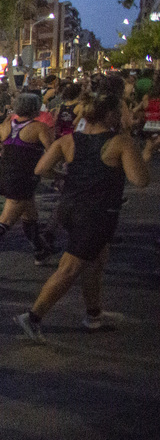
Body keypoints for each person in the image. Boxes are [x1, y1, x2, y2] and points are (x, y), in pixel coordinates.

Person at [17, 86, 159, 343]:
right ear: (112, 116)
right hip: (96, 214)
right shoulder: (120, 142)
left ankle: (93, 316)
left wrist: (67, 176)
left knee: (96, 261)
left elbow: (41, 169)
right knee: (69, 268)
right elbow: (140, 180)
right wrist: (146, 153)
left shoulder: (69, 140)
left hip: (69, 208)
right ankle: (33, 316)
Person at [0, 93, 55, 271]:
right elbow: (53, 151)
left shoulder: (5, 126)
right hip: (24, 178)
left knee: (31, 217)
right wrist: (57, 173)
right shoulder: (39, 128)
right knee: (6, 221)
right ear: (35, 108)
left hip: (7, 175)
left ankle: (40, 250)